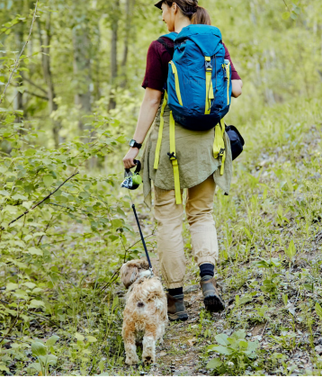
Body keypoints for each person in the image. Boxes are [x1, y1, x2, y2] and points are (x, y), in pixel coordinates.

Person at [122, 0, 243, 321]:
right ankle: (207, 279)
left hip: (170, 147)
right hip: (209, 145)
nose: (161, 15)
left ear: (175, 7)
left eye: (162, 7)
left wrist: (134, 147)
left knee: (169, 221)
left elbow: (152, 100)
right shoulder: (214, 43)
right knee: (201, 214)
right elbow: (237, 88)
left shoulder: (161, 47)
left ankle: (176, 301)